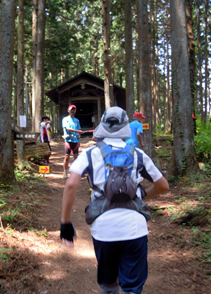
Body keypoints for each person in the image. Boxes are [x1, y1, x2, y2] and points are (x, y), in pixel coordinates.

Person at [60, 106, 169, 294]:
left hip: (103, 230)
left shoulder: (90, 154)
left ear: (103, 126)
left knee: (109, 285)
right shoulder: (138, 155)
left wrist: (65, 223)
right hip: (135, 229)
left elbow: (71, 185)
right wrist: (142, 194)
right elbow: (163, 185)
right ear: (125, 127)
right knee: (132, 288)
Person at [62, 105, 84, 179]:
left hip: (76, 141)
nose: (72, 111)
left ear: (75, 111)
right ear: (68, 110)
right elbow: (68, 129)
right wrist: (78, 131)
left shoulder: (77, 120)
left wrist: (79, 134)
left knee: (76, 158)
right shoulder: (65, 119)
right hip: (68, 140)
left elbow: (78, 131)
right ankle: (65, 172)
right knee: (67, 157)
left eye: (74, 109)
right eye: (71, 109)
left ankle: (75, 173)